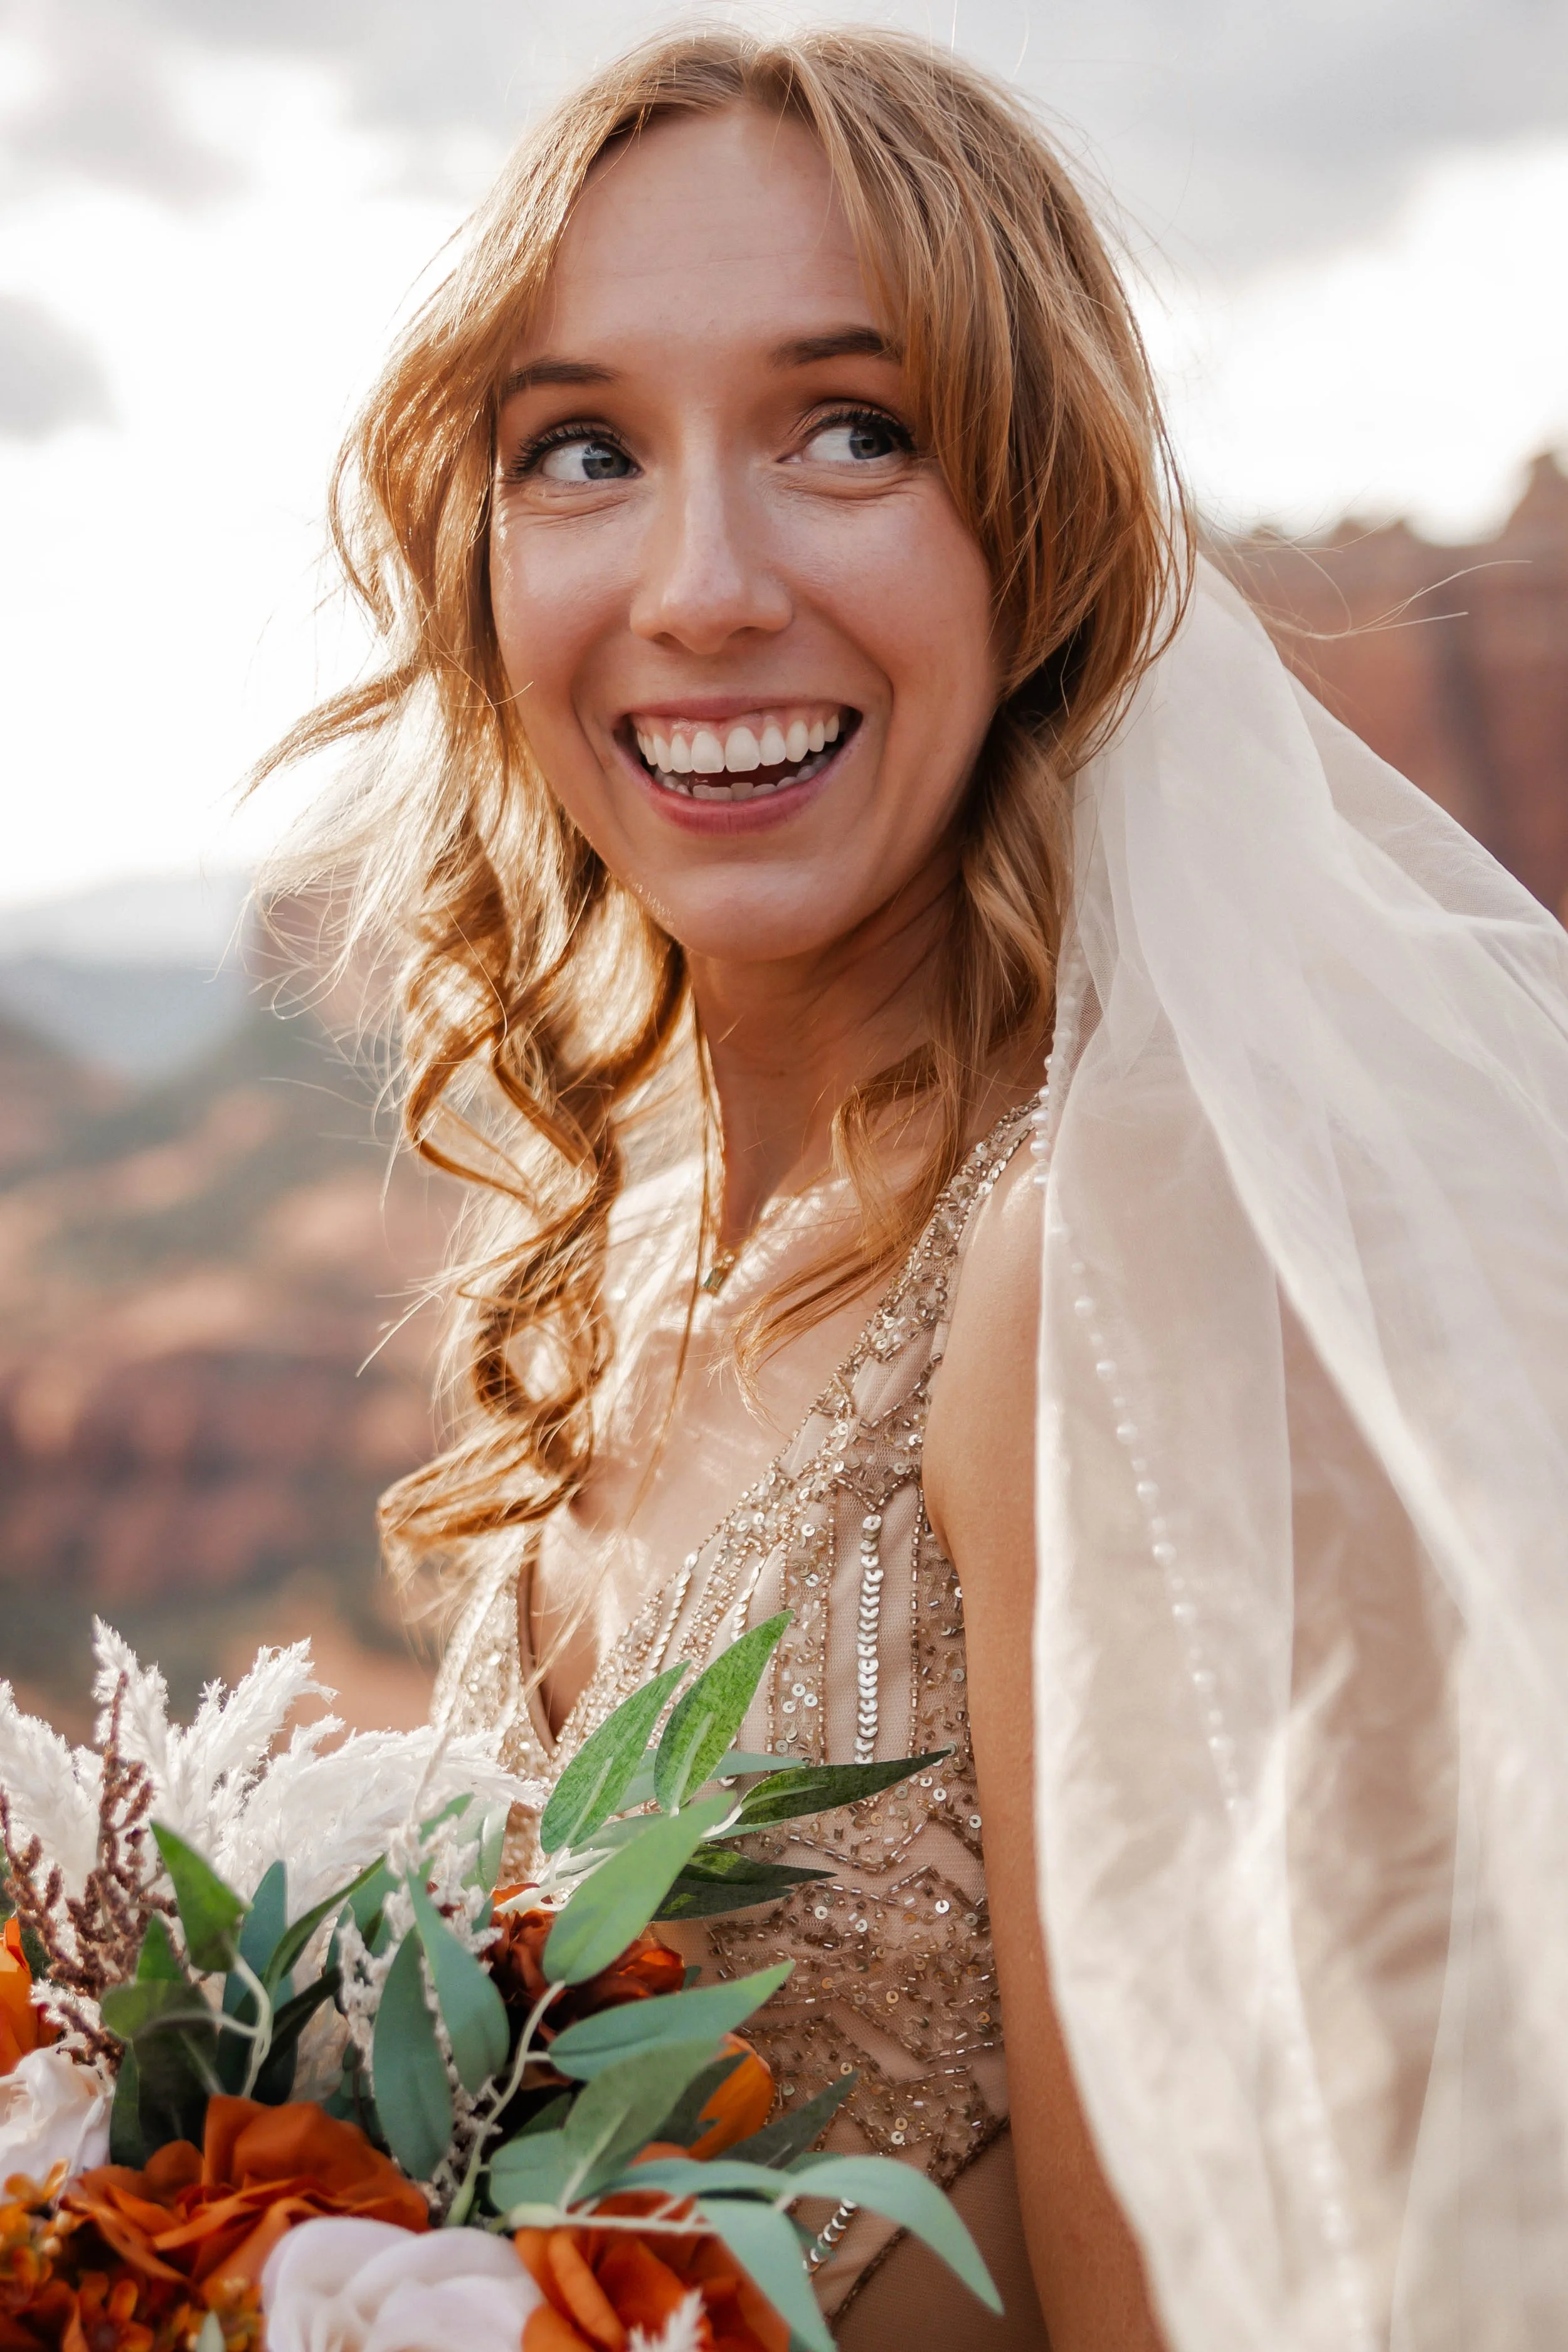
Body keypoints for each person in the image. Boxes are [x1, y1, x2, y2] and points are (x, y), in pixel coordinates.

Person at [262, 27, 1568, 2351]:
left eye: (851, 429)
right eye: (584, 450)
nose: (700, 586)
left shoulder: (1106, 1256)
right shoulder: (619, 1275)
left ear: (1039, 532)